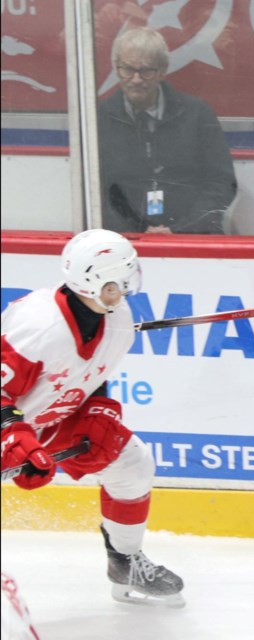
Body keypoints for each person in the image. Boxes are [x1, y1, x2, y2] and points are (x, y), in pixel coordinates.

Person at [0, 229, 184, 607]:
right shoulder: (38, 328)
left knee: (131, 463)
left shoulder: (117, 318)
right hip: (11, 424)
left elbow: (91, 377)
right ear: (98, 282)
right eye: (122, 278)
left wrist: (97, 409)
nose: (130, 285)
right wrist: (15, 440)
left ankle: (125, 564)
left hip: (42, 423)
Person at [98, 26, 237, 234]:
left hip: (193, 236)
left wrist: (179, 230)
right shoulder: (100, 118)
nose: (136, 80)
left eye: (146, 71)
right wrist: (137, 233)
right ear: (116, 68)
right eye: (127, 69)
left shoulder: (197, 114)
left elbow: (222, 183)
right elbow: (95, 190)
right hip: (124, 241)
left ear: (163, 71)